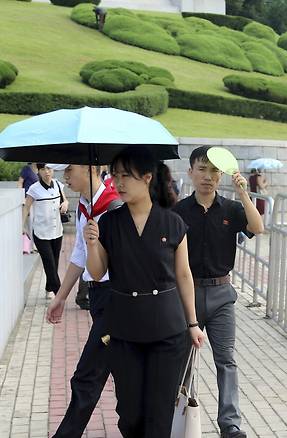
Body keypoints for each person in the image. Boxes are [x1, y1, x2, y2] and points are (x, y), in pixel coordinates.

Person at [85, 147, 205, 437]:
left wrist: (192, 323)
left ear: (147, 178)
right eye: (115, 176)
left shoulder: (173, 222)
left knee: (160, 411)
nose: (119, 183)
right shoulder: (109, 222)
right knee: (129, 412)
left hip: (167, 329)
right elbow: (98, 272)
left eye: (127, 175)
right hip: (124, 328)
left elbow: (184, 275)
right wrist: (91, 243)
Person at [173, 147, 264, 438]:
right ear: (190, 173)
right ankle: (178, 416)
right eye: (201, 170)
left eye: (214, 172)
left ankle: (230, 423)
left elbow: (258, 227)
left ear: (221, 175)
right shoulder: (178, 212)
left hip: (222, 294)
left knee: (226, 360)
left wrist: (243, 194)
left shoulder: (231, 209)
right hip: (186, 295)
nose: (208, 177)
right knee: (181, 360)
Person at [45, 164, 121, 437]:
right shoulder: (84, 207)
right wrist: (61, 297)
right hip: (97, 296)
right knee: (120, 371)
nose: (64, 176)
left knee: (87, 375)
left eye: (69, 169)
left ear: (91, 169)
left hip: (115, 299)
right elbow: (78, 255)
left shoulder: (113, 207)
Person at [22, 163, 68, 299]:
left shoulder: (58, 185)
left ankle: (49, 287)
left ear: (53, 170)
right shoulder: (34, 188)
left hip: (57, 231)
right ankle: (59, 295)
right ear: (38, 171)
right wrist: (22, 226)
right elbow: (26, 208)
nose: (46, 172)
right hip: (41, 233)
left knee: (55, 261)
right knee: (49, 263)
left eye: (49, 168)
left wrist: (65, 203)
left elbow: (64, 200)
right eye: (43, 169)